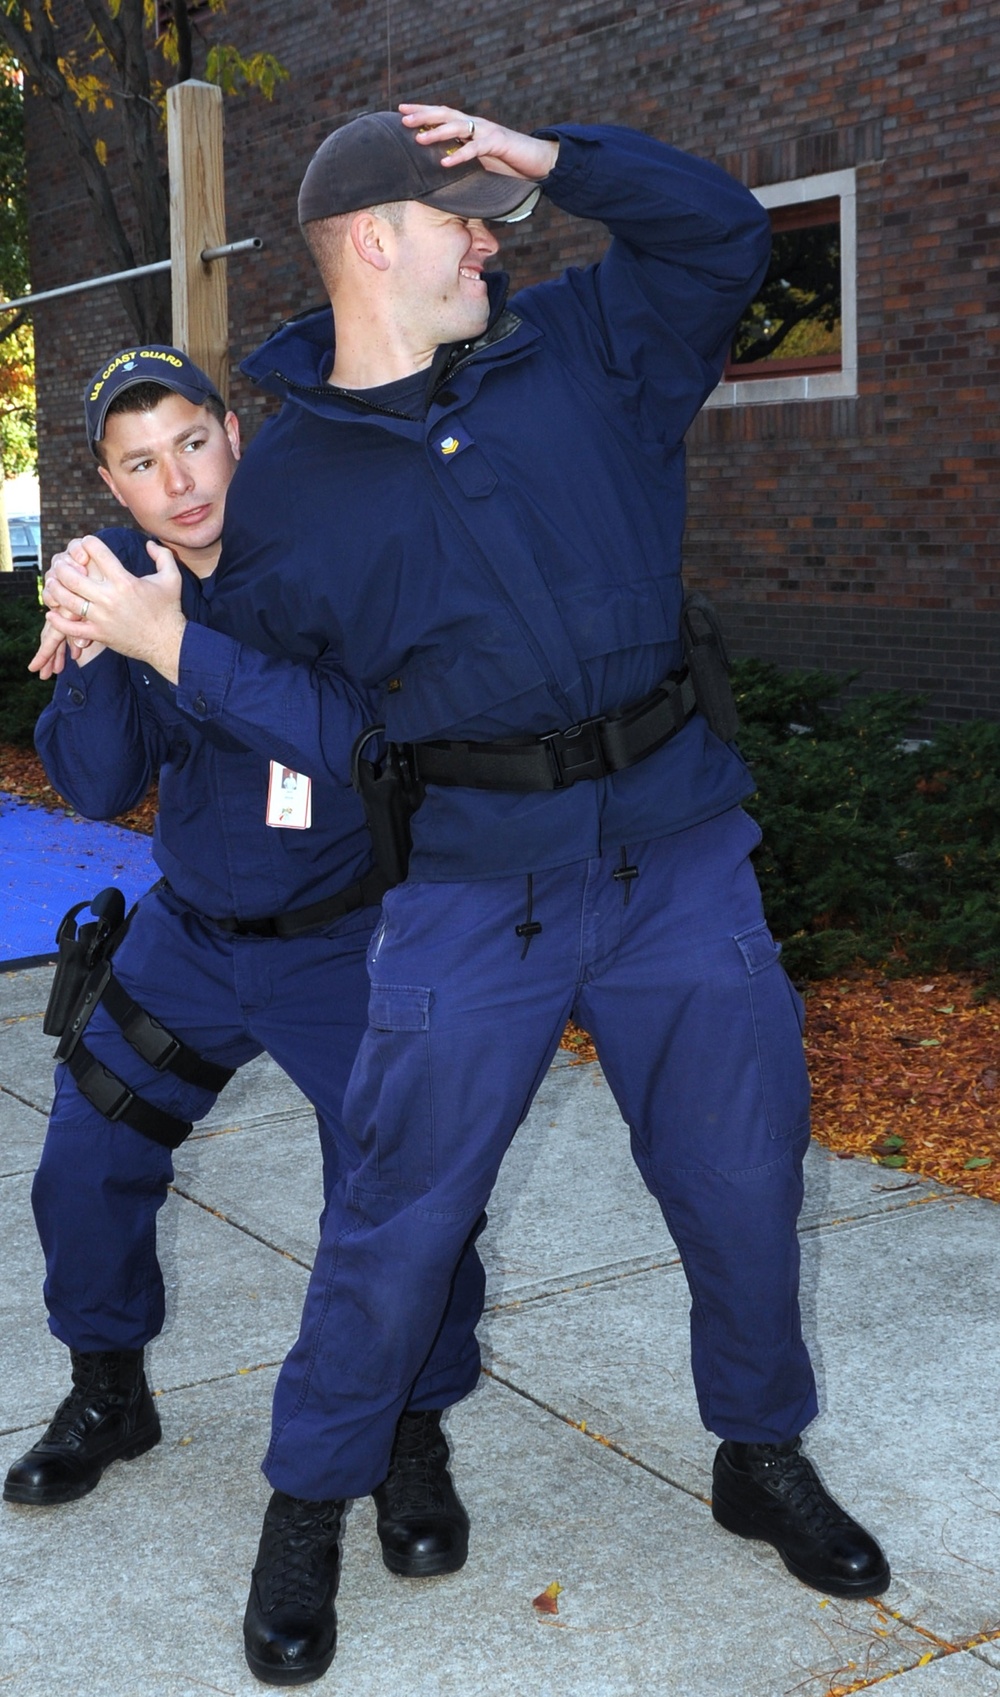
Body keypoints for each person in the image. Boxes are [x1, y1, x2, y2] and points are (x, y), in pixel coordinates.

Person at [62, 105, 890, 1688]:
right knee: (395, 1216)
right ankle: (309, 1499)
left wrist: (554, 154)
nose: (491, 236)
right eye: (461, 217)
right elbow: (327, 729)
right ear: (377, 239)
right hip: (467, 887)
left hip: (675, 848)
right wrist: (170, 651)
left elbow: (723, 230)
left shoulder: (594, 341)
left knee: (739, 1178)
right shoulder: (294, 484)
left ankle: (758, 1451)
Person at [4, 348, 484, 1581]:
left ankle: (410, 1431)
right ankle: (111, 1388)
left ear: (233, 429)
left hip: (345, 941)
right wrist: (102, 643)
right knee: (88, 1148)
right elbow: (104, 783)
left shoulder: (322, 556)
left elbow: (355, 741)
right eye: (140, 462)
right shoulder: (128, 580)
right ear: (109, 479)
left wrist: (171, 640)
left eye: (192, 442)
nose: (179, 480)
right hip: (193, 935)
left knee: (398, 1196)